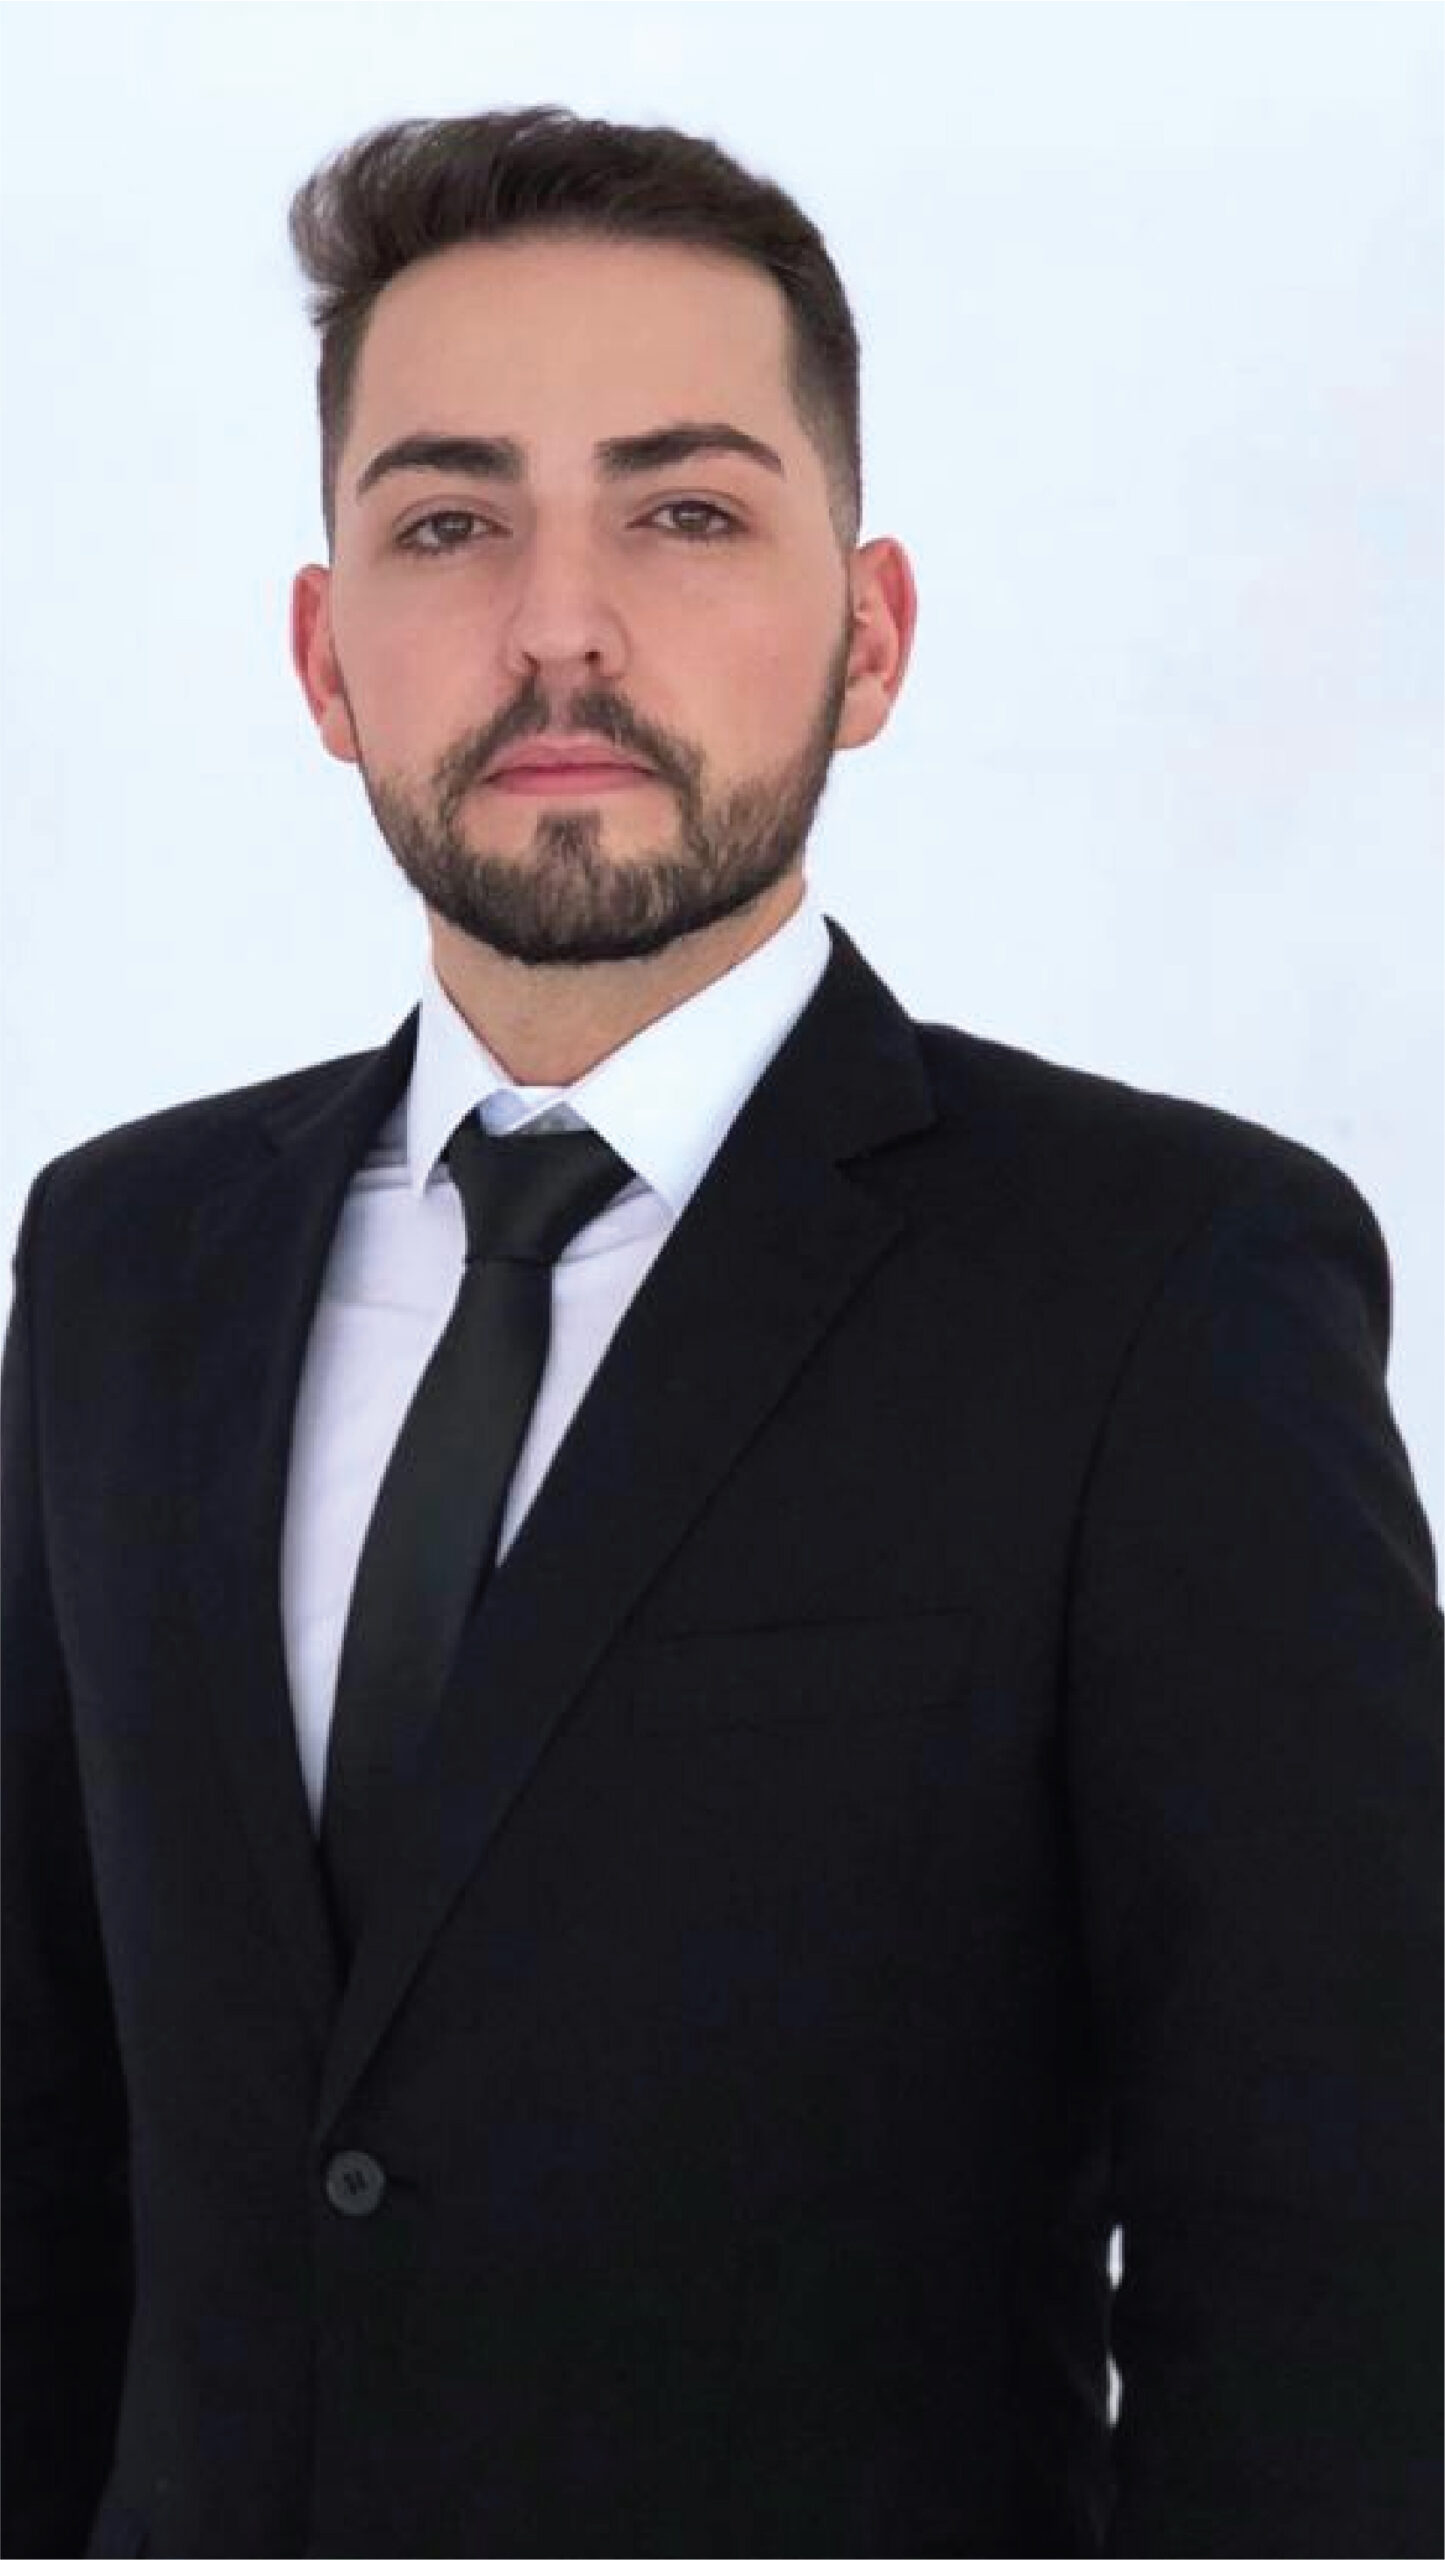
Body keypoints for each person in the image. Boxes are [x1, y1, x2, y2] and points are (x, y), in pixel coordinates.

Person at [2, 105, 1439, 2560]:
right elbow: (48, 2140)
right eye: (449, 523)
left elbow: (1342, 2278)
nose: (560, 627)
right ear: (326, 654)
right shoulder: (126, 1260)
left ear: (869, 636)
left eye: (682, 511)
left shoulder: (1167, 1286)